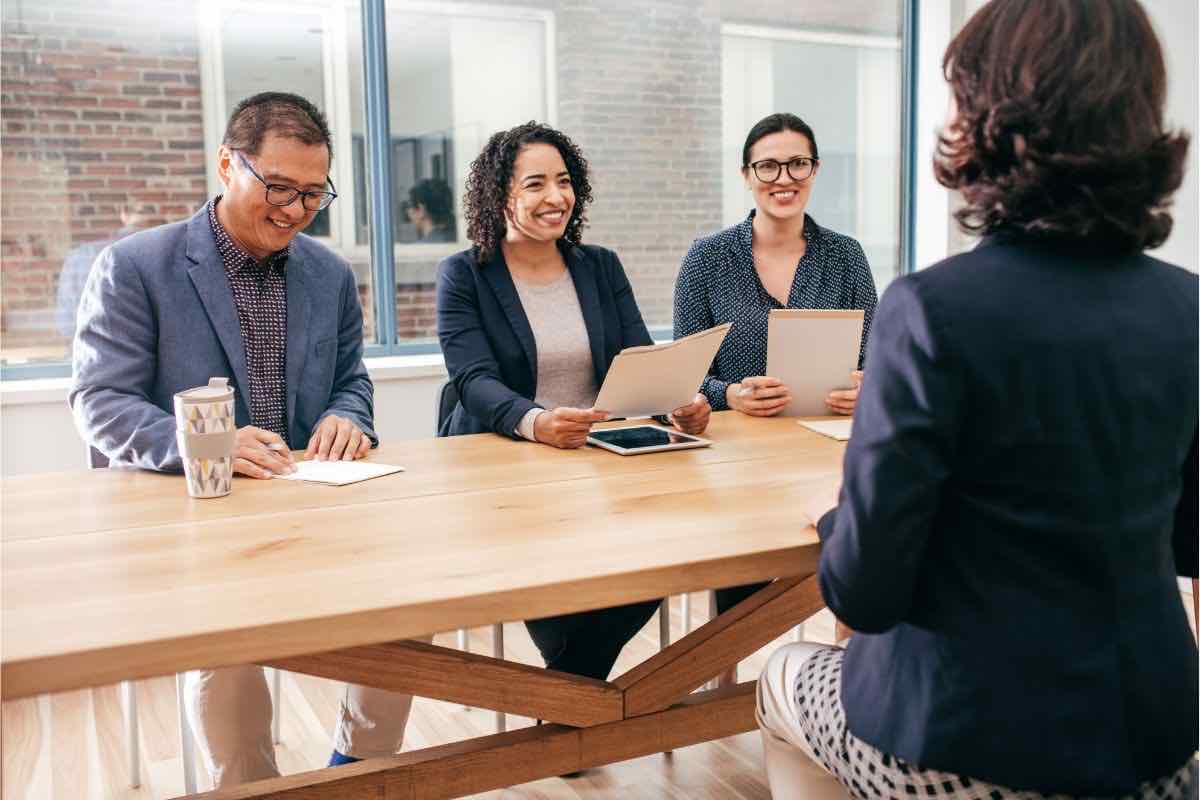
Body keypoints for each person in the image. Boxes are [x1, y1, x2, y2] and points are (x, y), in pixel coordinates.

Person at [756, 1, 1197, 798]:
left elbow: (864, 592)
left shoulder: (932, 309)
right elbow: (1191, 542)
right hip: (1156, 748)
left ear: (986, 115)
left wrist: (841, 521)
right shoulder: (1190, 309)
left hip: (965, 744)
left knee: (783, 677)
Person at [69, 91, 419, 786]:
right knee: (227, 647)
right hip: (198, 520)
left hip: (312, 510)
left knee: (411, 610)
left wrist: (349, 415)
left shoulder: (328, 274)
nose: (294, 211)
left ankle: (359, 770)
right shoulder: (137, 266)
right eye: (279, 188)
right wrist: (207, 445)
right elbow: (98, 401)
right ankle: (252, 784)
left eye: (314, 195)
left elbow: (352, 378)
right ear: (227, 163)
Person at [437, 120, 711, 679]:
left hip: (602, 459)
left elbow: (637, 355)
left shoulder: (600, 265)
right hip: (509, 467)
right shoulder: (464, 275)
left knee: (670, 547)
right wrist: (536, 423)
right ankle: (582, 698)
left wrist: (676, 400)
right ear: (499, 195)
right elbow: (473, 379)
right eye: (535, 184)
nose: (556, 197)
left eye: (563, 181)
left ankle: (571, 693)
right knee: (552, 576)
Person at [673, 112, 879, 619]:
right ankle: (722, 683)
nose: (783, 178)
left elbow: (878, 361)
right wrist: (730, 395)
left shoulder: (847, 256)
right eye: (767, 167)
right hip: (734, 459)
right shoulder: (707, 258)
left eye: (797, 164)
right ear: (746, 175)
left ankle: (835, 679)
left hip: (826, 453)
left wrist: (866, 389)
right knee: (738, 591)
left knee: (850, 572)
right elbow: (683, 374)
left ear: (814, 170)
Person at [55, 202, 161, 340]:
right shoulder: (168, 256)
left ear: (124, 214)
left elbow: (65, 324)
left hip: (92, 352)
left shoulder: (80, 256)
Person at [405, 177, 457, 243]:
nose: (408, 212)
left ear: (421, 210)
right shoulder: (459, 240)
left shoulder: (418, 250)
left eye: (409, 206)